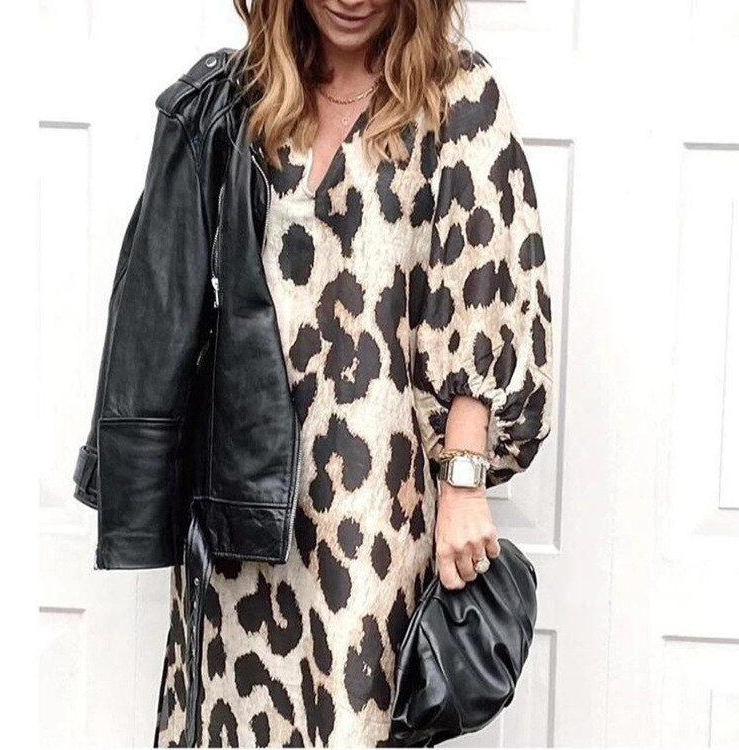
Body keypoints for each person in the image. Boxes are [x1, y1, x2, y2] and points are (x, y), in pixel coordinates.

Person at [147, 0, 553, 746]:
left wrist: (464, 483)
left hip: (370, 522)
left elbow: (484, 293)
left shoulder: (457, 98)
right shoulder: (244, 101)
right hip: (242, 506)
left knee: (348, 722)